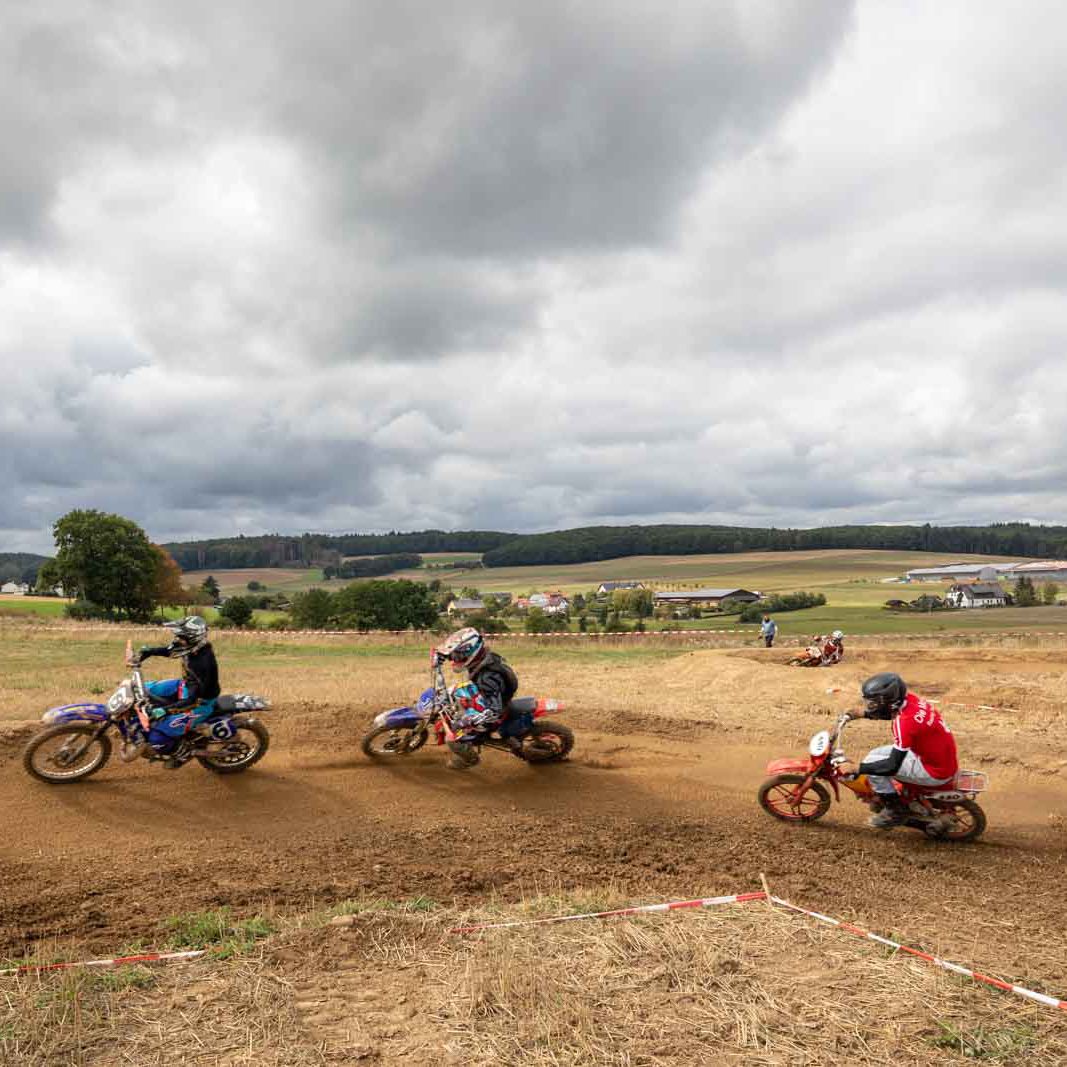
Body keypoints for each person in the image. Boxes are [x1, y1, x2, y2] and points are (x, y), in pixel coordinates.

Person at [836, 672, 958, 828]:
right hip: (937, 757)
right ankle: (891, 794)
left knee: (873, 768)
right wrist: (864, 714)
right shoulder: (912, 701)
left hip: (934, 770)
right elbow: (892, 713)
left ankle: (896, 811)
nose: (871, 706)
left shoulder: (904, 723)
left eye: (874, 703)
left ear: (889, 702)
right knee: (874, 756)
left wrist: (856, 768)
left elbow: (891, 766)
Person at [133, 616, 222, 768]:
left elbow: (191, 701)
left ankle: (182, 753)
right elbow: (170, 650)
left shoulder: (202, 664)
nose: (176, 639)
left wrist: (164, 710)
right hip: (187, 686)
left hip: (199, 702)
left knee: (160, 731)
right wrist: (148, 652)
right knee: (145, 688)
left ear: (192, 639)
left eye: (181, 637)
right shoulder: (193, 647)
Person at [435, 627, 518, 769]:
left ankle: (470, 760)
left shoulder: (488, 677)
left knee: (453, 736)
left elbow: (493, 711)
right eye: (454, 654)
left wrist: (464, 722)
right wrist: (441, 656)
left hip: (493, 710)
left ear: (471, 653)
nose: (454, 659)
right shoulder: (483, 657)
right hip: (487, 694)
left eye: (457, 655)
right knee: (454, 692)